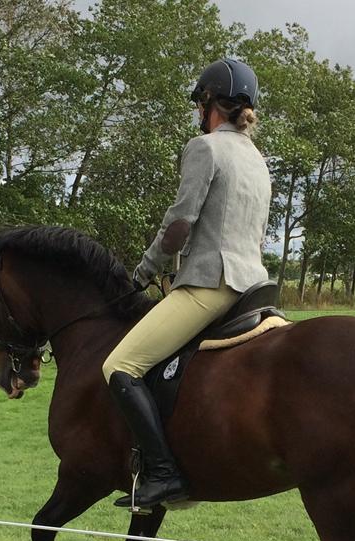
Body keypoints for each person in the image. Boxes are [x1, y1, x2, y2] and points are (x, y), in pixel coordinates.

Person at [101, 58, 272, 509]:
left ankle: (163, 473)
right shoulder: (258, 160)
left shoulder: (205, 147)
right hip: (254, 286)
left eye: (200, 103)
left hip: (210, 284)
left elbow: (179, 226)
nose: (199, 111)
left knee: (119, 366)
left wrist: (141, 272)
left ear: (208, 103)